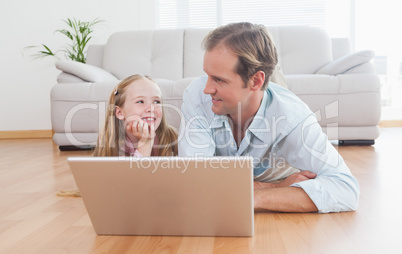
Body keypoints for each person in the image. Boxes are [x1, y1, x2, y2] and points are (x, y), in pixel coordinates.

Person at [178, 22, 359, 213]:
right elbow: (194, 182)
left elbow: (346, 191)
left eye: (219, 79)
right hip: (275, 178)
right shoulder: (198, 96)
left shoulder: (292, 118)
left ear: (256, 81)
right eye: (207, 75)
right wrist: (278, 187)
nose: (207, 88)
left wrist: (252, 198)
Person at [93, 74, 178, 157]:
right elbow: (134, 171)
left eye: (156, 102)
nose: (151, 108)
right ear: (119, 112)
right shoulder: (110, 141)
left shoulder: (172, 138)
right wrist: (145, 143)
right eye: (140, 101)